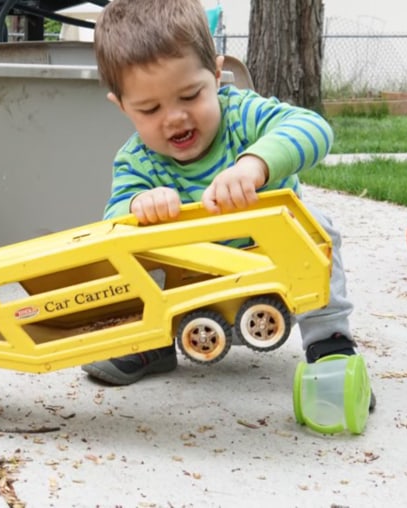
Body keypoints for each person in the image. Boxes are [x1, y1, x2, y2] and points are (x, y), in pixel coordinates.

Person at [82, 0, 375, 410]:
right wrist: (138, 205)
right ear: (123, 107)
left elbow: (312, 127)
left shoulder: (241, 116)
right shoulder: (137, 161)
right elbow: (112, 221)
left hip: (271, 259)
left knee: (319, 230)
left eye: (190, 94)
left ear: (217, 75)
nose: (175, 118)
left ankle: (329, 340)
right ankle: (151, 342)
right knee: (129, 262)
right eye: (150, 109)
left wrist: (256, 164)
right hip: (194, 279)